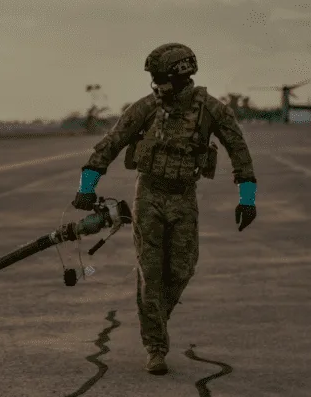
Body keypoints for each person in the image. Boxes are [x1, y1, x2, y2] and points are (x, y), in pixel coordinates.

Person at [71, 43, 257, 375]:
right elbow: (110, 143)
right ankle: (155, 346)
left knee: (182, 270)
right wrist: (87, 187)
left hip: (184, 196)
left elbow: (239, 151)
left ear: (183, 75)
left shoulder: (211, 110)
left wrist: (247, 198)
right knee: (150, 272)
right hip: (149, 195)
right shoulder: (145, 108)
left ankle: (155, 319)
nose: (156, 85)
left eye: (161, 78)